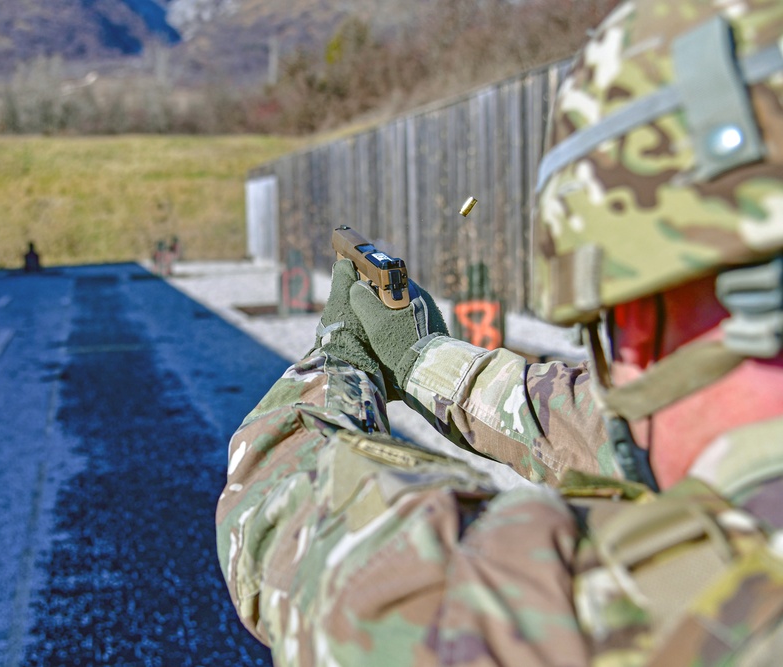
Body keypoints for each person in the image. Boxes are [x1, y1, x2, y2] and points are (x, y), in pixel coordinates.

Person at [215, 0, 783, 664]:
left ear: (632, 317)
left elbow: (295, 529)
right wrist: (419, 355)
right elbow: (583, 423)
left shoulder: (609, 620)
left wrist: (339, 360)